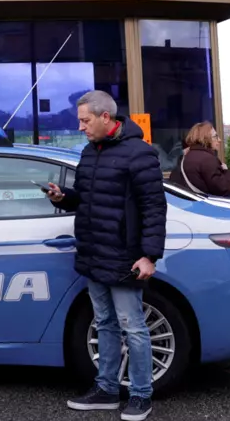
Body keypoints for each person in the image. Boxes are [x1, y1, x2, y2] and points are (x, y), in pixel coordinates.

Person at [45, 90, 166, 421]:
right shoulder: (89, 152)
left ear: (106, 118)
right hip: (94, 253)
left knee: (134, 327)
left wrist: (149, 255)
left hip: (125, 256)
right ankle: (107, 390)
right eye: (80, 121)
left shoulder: (140, 153)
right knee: (105, 324)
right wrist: (63, 197)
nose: (81, 127)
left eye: (85, 121)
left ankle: (141, 395)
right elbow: (85, 197)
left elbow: (154, 207)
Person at [168, 122, 230, 197]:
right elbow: (222, 189)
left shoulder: (186, 156)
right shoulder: (208, 159)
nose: (219, 140)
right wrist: (228, 172)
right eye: (215, 136)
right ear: (205, 138)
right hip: (207, 205)